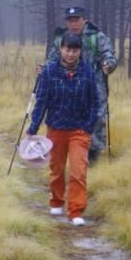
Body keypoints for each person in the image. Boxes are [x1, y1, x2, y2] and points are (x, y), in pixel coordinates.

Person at [27, 31, 99, 226]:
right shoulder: (49, 72)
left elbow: (95, 103)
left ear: (80, 51)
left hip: (79, 130)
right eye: (67, 49)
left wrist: (88, 126)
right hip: (56, 128)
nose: (71, 54)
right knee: (57, 169)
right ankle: (57, 201)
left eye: (75, 50)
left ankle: (76, 211)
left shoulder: (88, 73)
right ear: (61, 50)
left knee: (78, 171)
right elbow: (41, 102)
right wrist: (33, 127)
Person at [41, 6, 117, 162]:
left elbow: (109, 55)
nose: (73, 24)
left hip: (94, 87)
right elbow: (52, 59)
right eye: (70, 21)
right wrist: (44, 68)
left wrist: (108, 64)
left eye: (77, 20)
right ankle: (70, 152)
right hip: (67, 87)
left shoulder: (97, 38)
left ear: (85, 20)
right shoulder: (61, 39)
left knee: (95, 119)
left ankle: (92, 156)